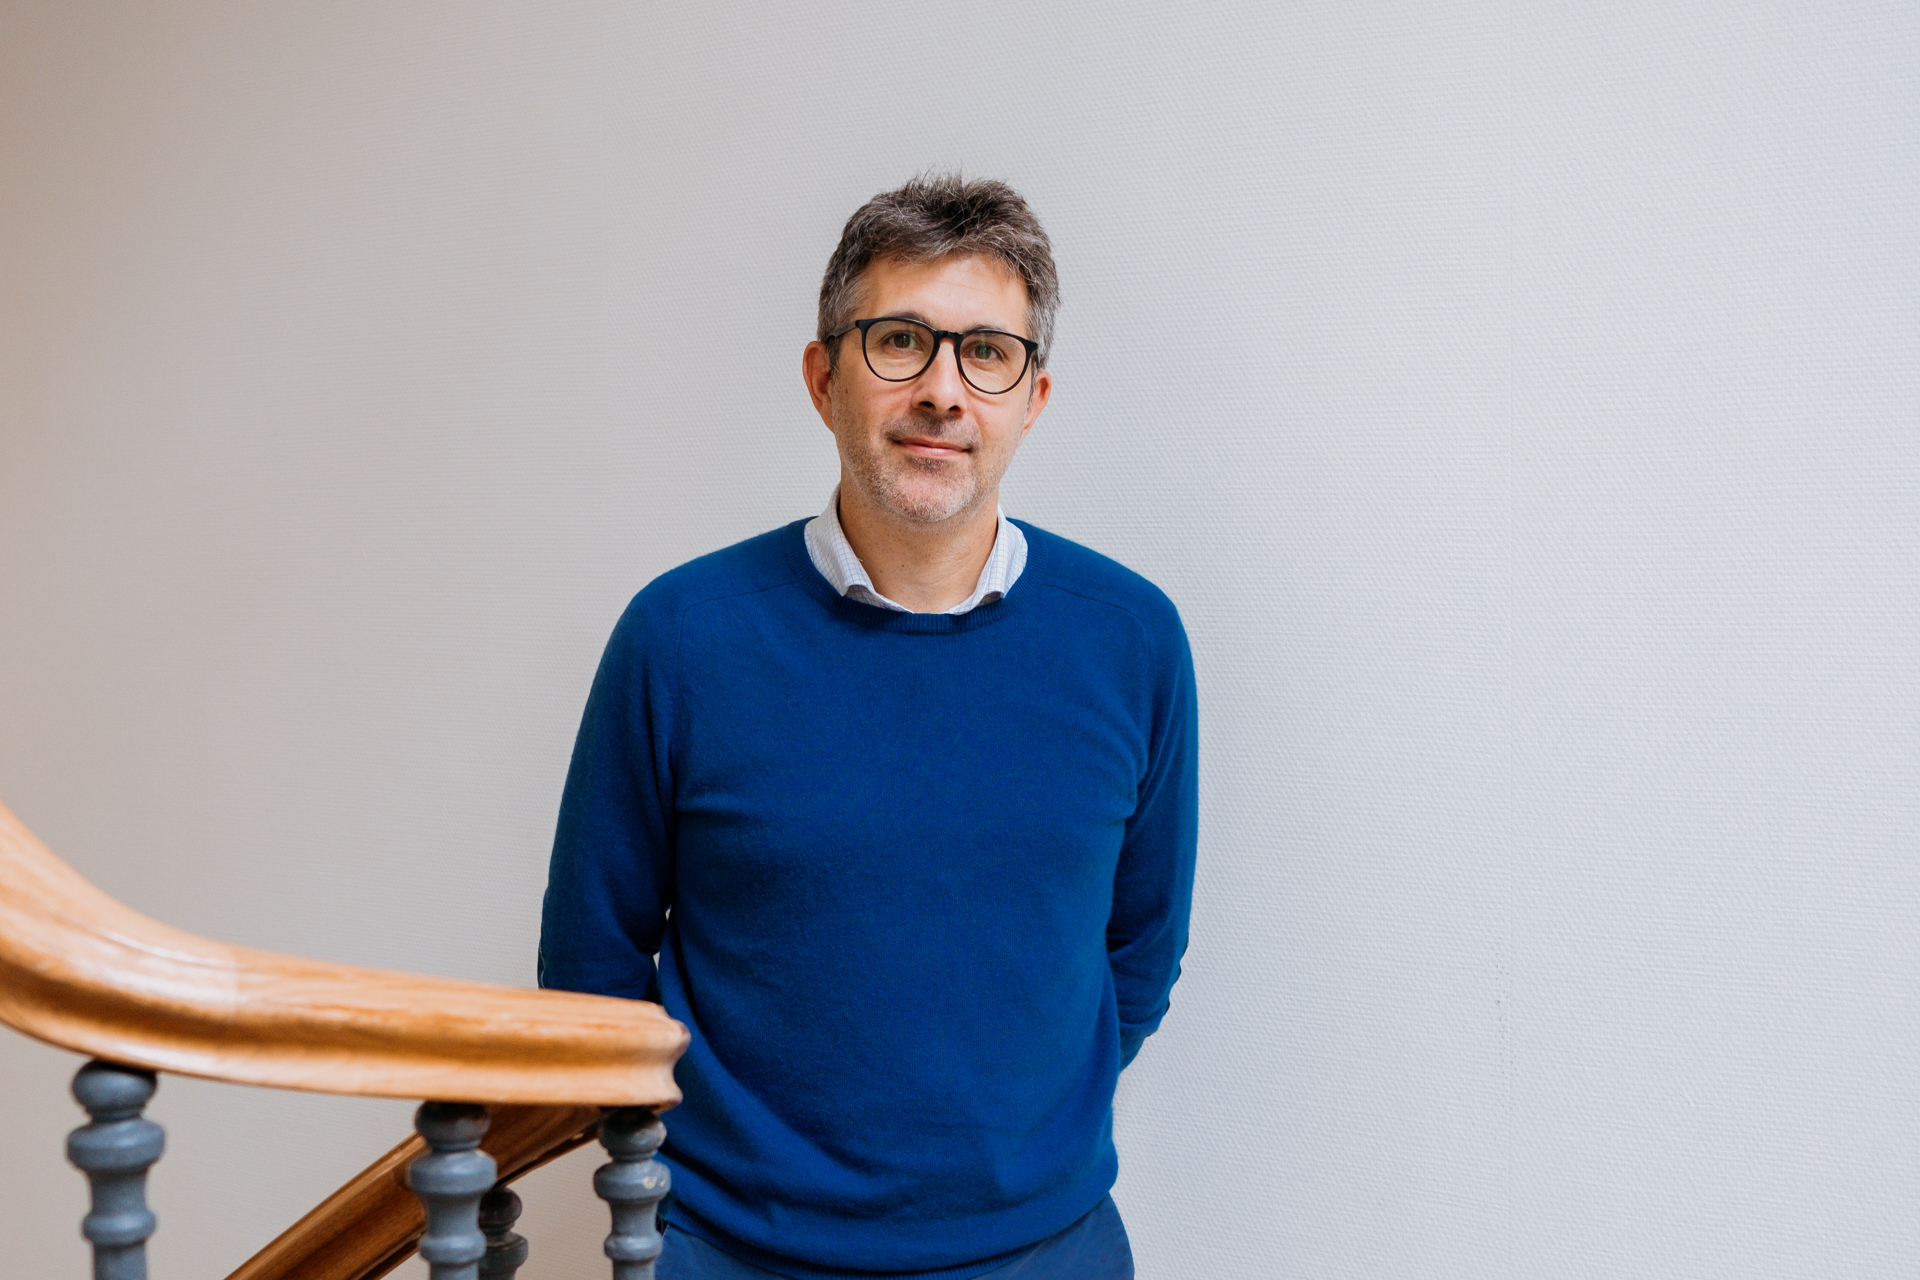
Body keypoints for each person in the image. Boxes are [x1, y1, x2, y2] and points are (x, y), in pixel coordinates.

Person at [539, 174, 1198, 1280]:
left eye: (987, 352)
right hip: (731, 1252)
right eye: (900, 341)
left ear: (1031, 398)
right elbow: (590, 964)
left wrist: (1006, 1148)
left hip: (1049, 1250)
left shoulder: (1131, 639)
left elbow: (1142, 946)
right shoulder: (682, 639)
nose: (944, 389)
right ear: (823, 377)